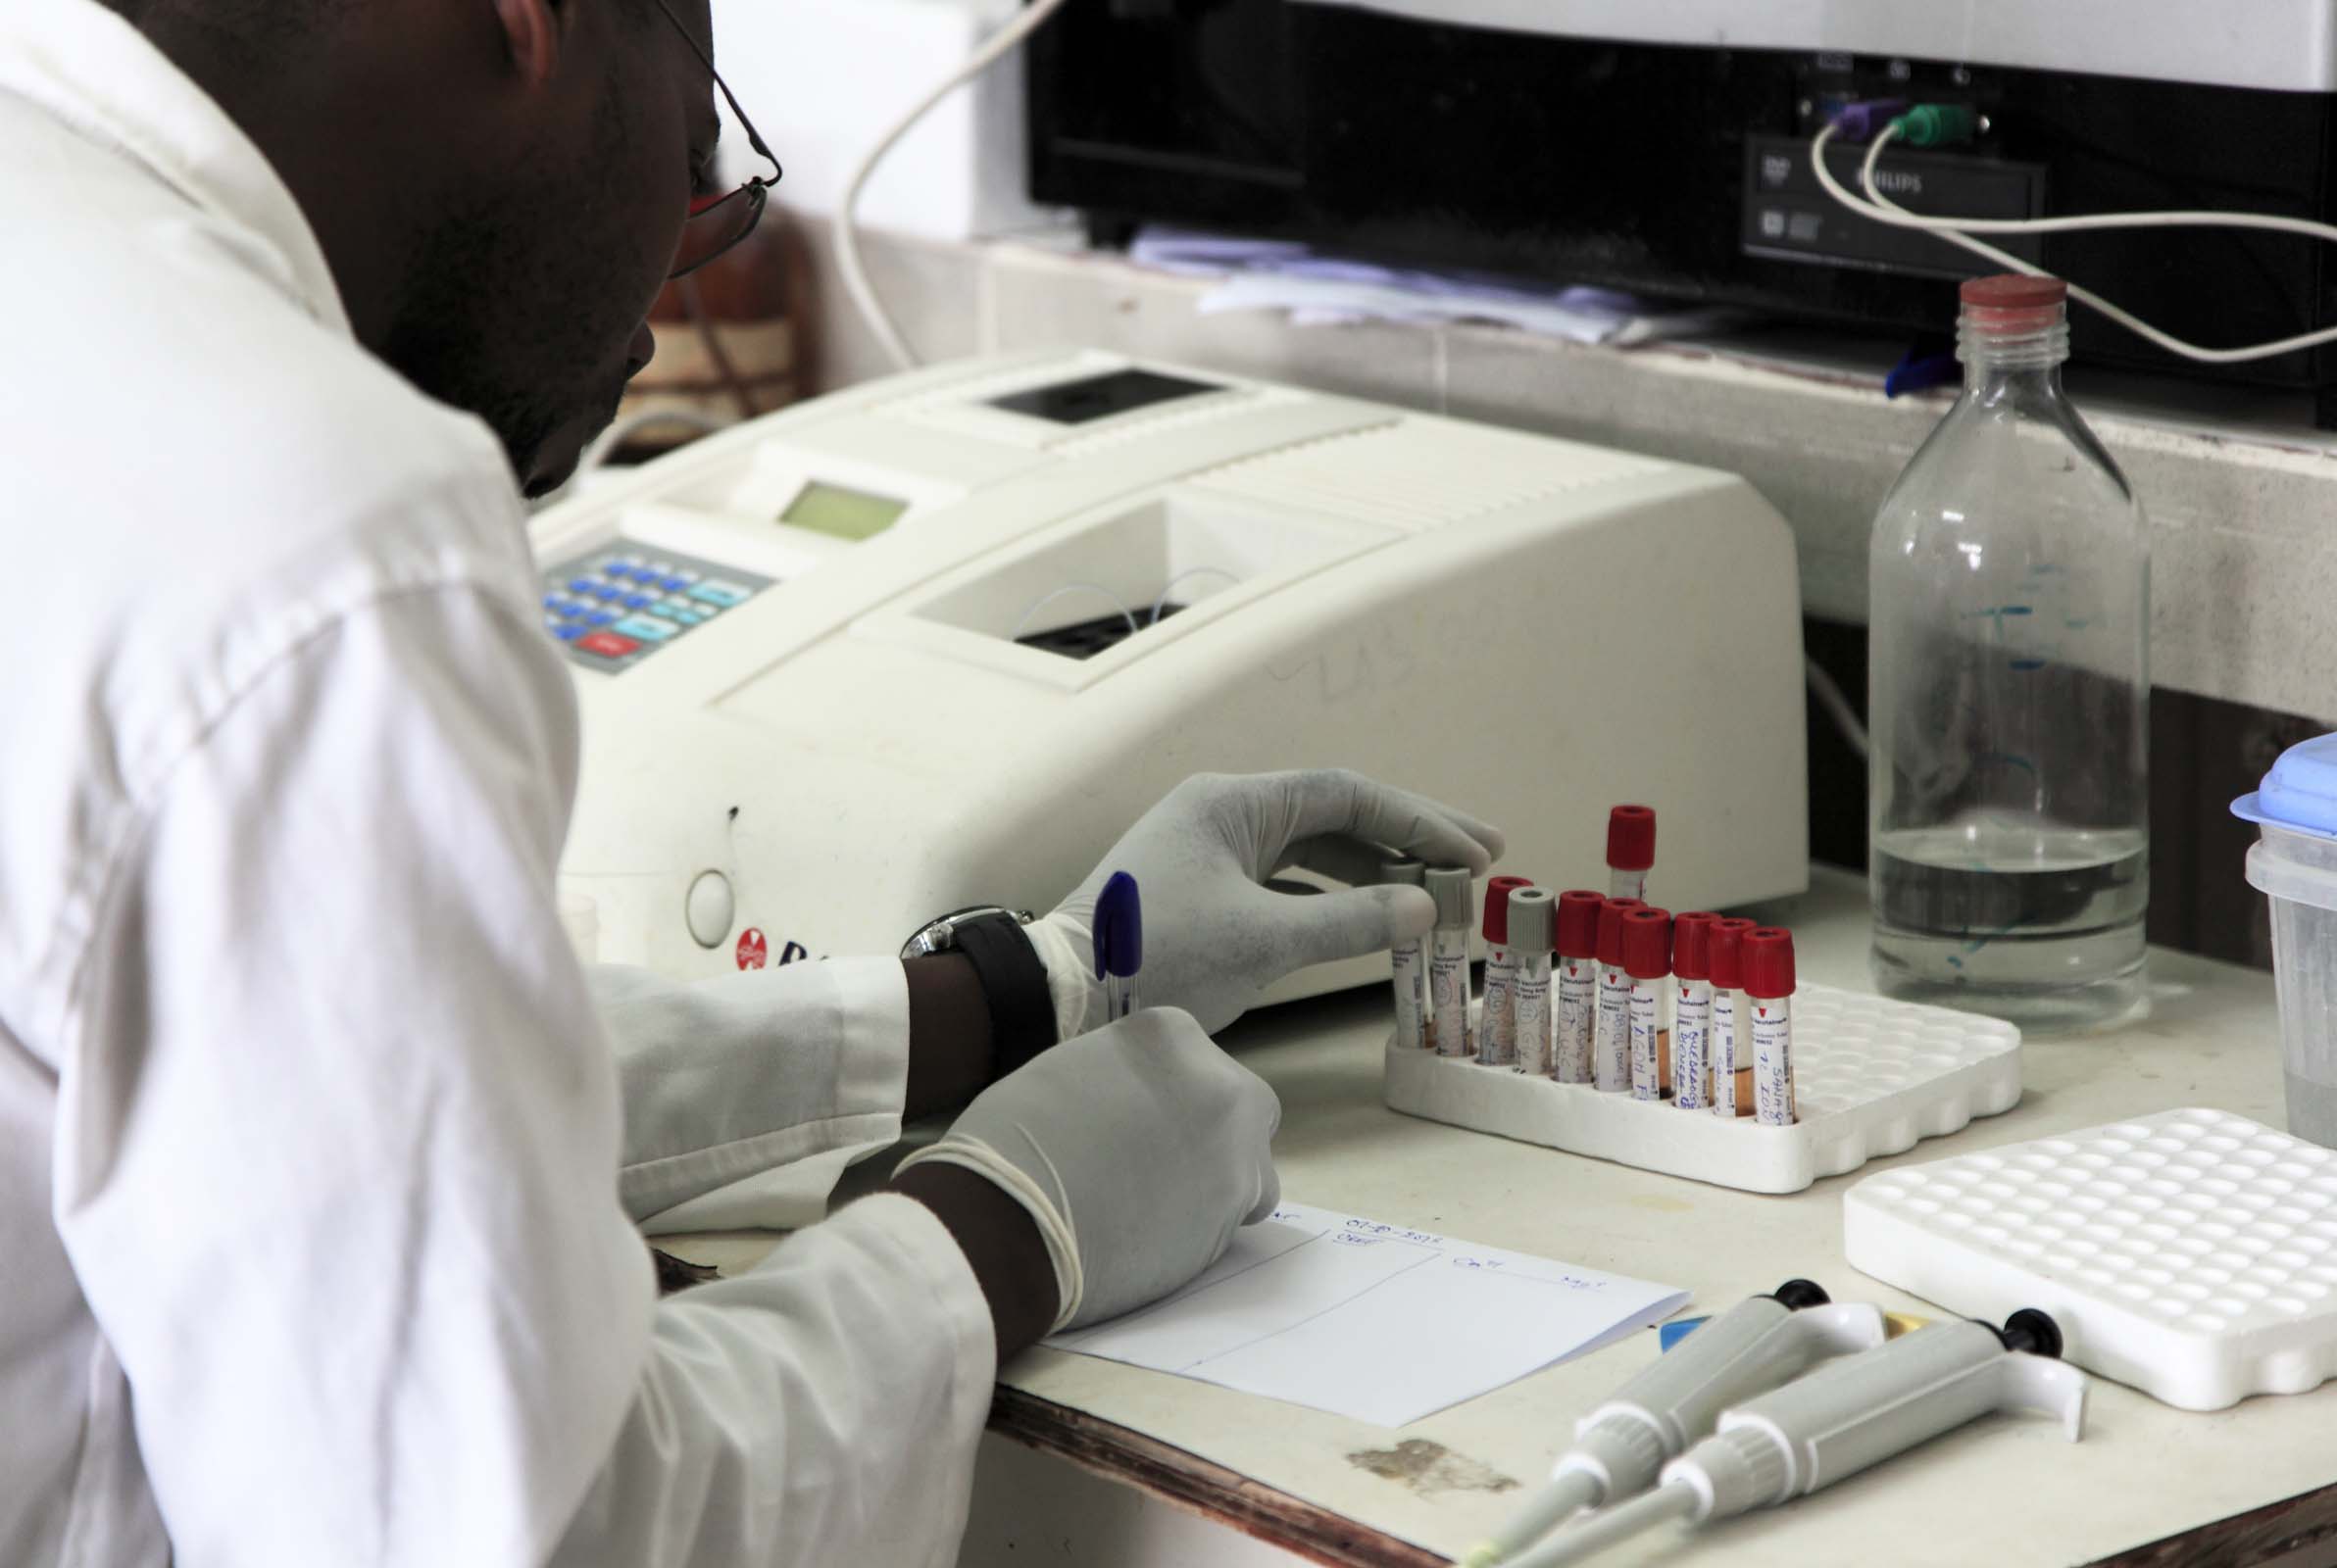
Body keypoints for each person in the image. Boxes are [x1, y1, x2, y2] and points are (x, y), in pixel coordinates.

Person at [0, 2, 1506, 1564]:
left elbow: (296, 1109)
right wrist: (1006, 1225)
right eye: (693, 148)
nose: (669, 296)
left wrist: (1023, 991)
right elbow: (536, 1535)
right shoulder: (317, 532)